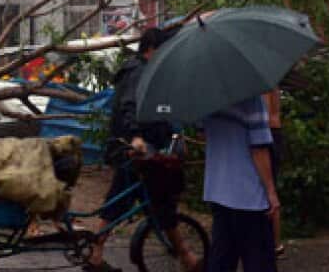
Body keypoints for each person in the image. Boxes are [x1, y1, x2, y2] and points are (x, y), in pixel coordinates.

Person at [84, 27, 200, 272]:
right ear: (151, 50)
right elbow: (130, 107)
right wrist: (136, 137)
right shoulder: (138, 72)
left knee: (122, 200)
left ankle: (95, 254)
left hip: (140, 150)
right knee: (160, 203)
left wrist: (175, 134)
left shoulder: (145, 71)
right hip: (137, 150)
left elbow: (160, 111)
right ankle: (186, 256)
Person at [203, 95, 279, 272]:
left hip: (217, 190)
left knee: (221, 261)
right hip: (248, 196)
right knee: (259, 262)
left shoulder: (207, 96)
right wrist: (271, 191)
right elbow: (259, 148)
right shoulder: (251, 97)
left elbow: (203, 131)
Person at [262, 88, 286, 259]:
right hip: (275, 131)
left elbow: (263, 110)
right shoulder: (271, 80)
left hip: (268, 131)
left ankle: (274, 243)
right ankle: (275, 243)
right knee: (270, 187)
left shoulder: (262, 85)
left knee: (267, 189)